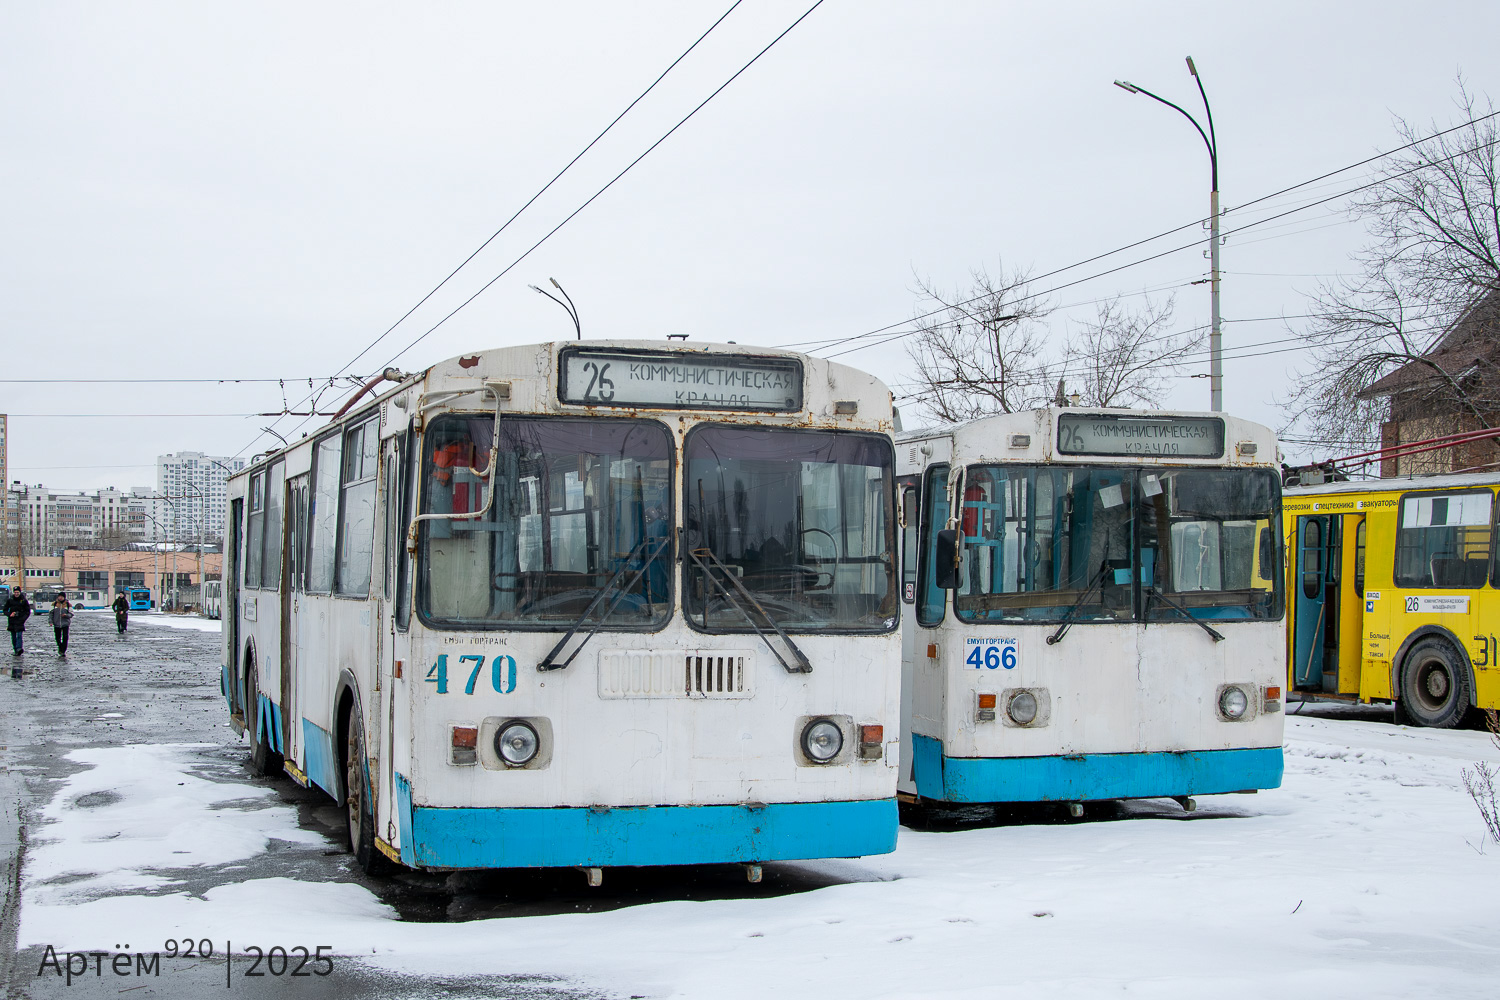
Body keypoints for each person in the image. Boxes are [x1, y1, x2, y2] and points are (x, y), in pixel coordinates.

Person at [5, 588, 31, 657]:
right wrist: (9, 614)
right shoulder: (10, 600)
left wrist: (23, 619)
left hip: (20, 621)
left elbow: (28, 611)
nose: (16, 594)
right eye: (15, 592)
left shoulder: (24, 601)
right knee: (13, 636)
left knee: (19, 635)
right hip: (12, 621)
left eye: (17, 592)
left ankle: (19, 648)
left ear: (20, 592)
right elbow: (5, 610)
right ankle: (15, 649)